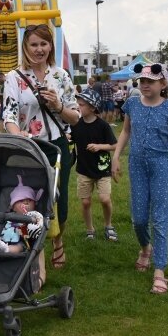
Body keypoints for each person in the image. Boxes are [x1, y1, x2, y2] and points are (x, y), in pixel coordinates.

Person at [2, 24, 80, 270]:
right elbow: (9, 116)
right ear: (25, 47)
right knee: (28, 199)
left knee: (59, 200)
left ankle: (58, 239)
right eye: (34, 44)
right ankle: (34, 248)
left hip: (56, 145)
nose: (39, 49)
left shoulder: (61, 76)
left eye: (43, 44)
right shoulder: (14, 77)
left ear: (51, 46)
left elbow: (75, 117)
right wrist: (19, 137)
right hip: (28, 147)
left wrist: (58, 105)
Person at [112, 63, 168, 295]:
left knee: (160, 218)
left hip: (162, 165)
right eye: (141, 81)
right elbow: (125, 131)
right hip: (137, 165)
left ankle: (160, 271)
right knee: (139, 219)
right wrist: (116, 156)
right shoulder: (132, 104)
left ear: (162, 84)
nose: (144, 85)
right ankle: (146, 248)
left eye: (150, 81)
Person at [71, 89, 118, 241]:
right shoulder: (76, 125)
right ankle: (90, 229)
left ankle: (108, 226)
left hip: (103, 170)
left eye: (82, 105)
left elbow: (115, 145)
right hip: (84, 170)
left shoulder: (103, 125)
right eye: (78, 104)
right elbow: (71, 139)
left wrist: (99, 147)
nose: (79, 107)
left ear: (92, 107)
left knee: (105, 199)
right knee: (85, 202)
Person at [0, 177, 44, 258]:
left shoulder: (34, 216)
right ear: (13, 207)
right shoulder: (8, 216)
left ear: (34, 204)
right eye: (21, 200)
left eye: (29, 200)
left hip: (22, 239)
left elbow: (28, 235)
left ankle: (7, 250)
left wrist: (25, 225)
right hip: (4, 237)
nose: (25, 202)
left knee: (20, 246)